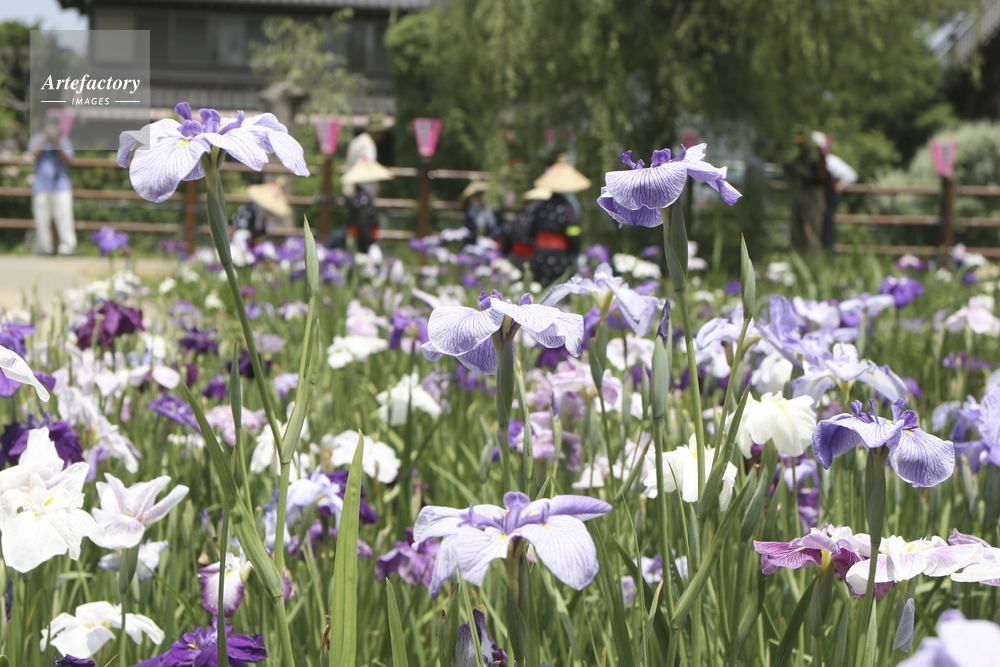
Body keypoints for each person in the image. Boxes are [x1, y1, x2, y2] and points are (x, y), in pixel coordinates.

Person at [527, 157, 589, 285]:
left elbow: (531, 231)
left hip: (540, 256)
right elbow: (574, 234)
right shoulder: (567, 208)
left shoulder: (540, 207)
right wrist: (575, 250)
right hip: (560, 257)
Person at [27, 116, 77, 255]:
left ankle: (68, 249)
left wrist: (57, 141)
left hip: (61, 186)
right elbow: (32, 156)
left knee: (65, 219)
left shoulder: (64, 141)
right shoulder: (37, 139)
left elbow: (68, 159)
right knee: (41, 220)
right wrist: (45, 139)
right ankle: (44, 249)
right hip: (41, 186)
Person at [329, 159, 393, 253]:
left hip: (360, 233)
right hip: (361, 234)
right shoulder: (364, 198)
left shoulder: (362, 197)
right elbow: (363, 220)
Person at [811, 132, 859, 250]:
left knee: (826, 228)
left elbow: (851, 175)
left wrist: (836, 188)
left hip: (825, 200)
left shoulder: (830, 161)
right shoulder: (815, 162)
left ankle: (826, 254)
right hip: (816, 200)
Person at [790, 131, 830, 253]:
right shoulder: (801, 158)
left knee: (811, 230)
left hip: (813, 195)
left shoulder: (816, 159)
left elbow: (817, 177)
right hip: (802, 193)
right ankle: (797, 256)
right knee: (797, 228)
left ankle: (813, 259)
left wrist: (803, 172)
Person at [231, 179, 292, 246]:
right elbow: (240, 231)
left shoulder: (267, 217)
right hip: (240, 241)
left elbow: (266, 232)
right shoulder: (250, 209)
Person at [342, 116, 386, 198]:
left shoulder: (358, 140)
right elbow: (366, 170)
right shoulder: (368, 145)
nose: (382, 135)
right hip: (360, 192)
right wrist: (373, 190)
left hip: (350, 188)